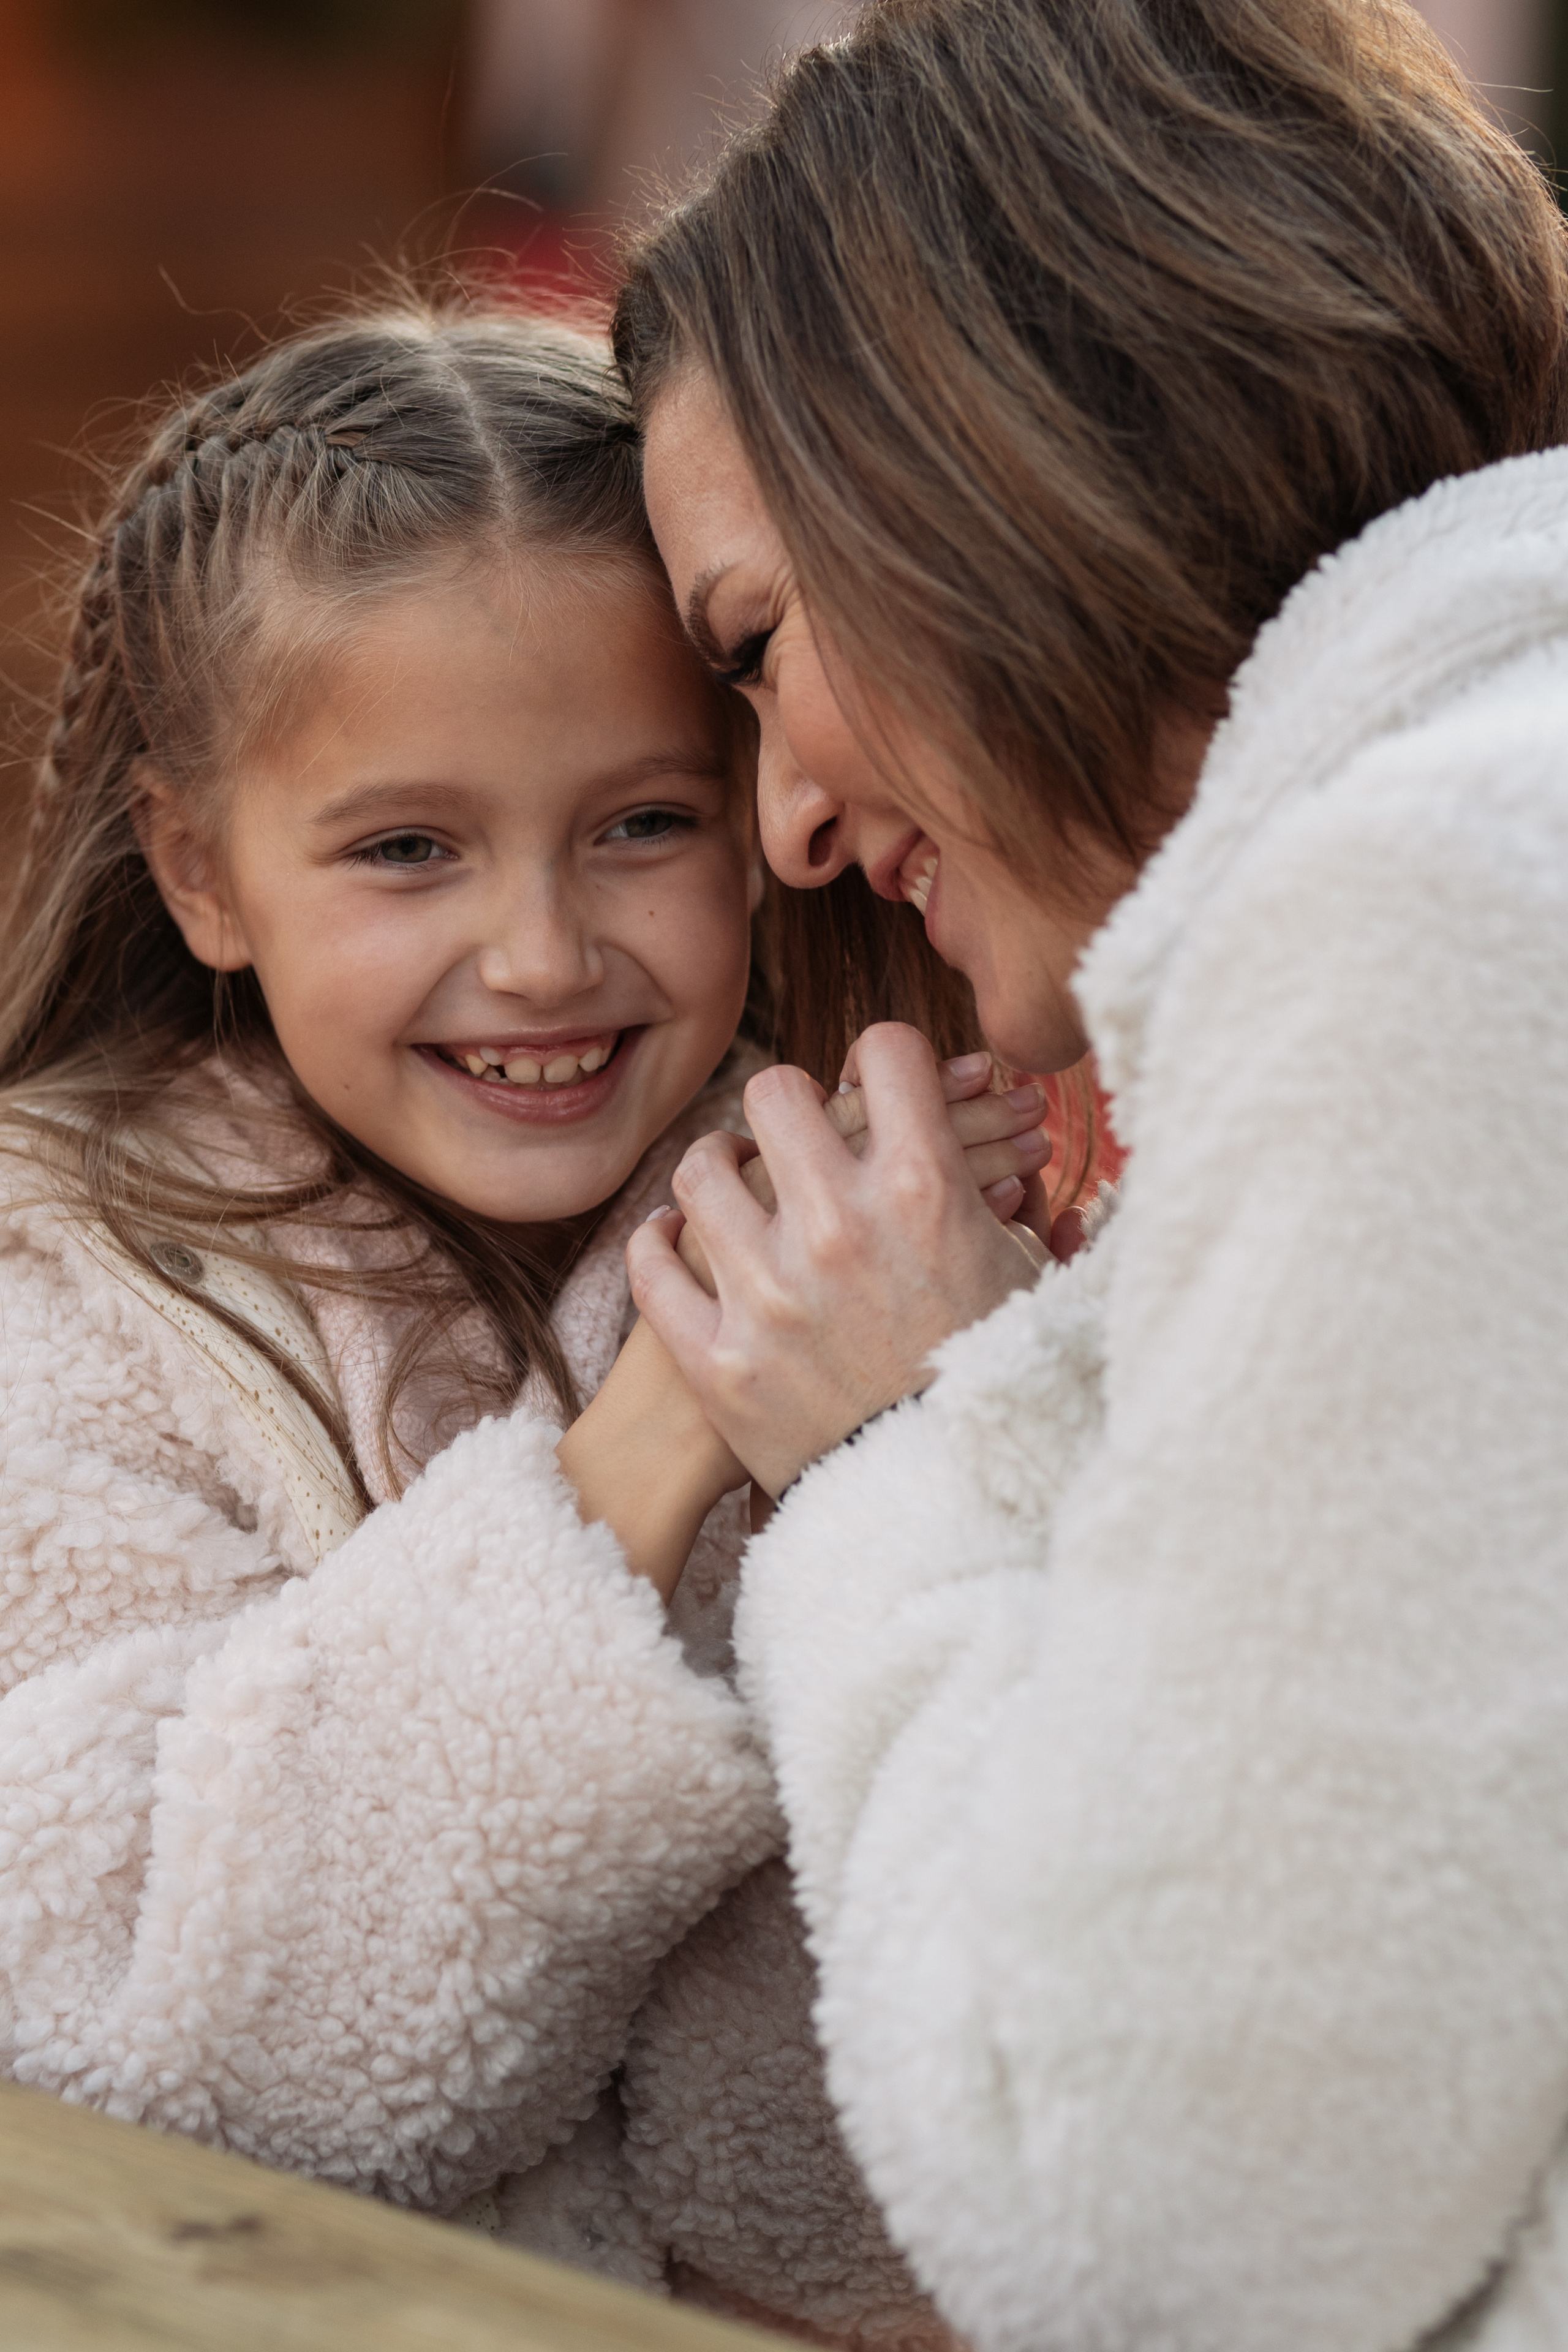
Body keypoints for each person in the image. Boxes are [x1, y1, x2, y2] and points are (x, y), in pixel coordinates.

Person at [612, 2, 1568, 2346]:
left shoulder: (1430, 911)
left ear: (986, 451)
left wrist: (893, 1455)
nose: (786, 823)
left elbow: (1169, 2219)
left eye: (759, 644)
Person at [0, 298, 1047, 2342]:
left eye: (643, 823)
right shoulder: (68, 1292)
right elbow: (145, 2041)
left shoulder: (905, 1190)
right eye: (409, 849)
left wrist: (927, 1416)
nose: (546, 955)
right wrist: (664, 1430)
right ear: (200, 873)